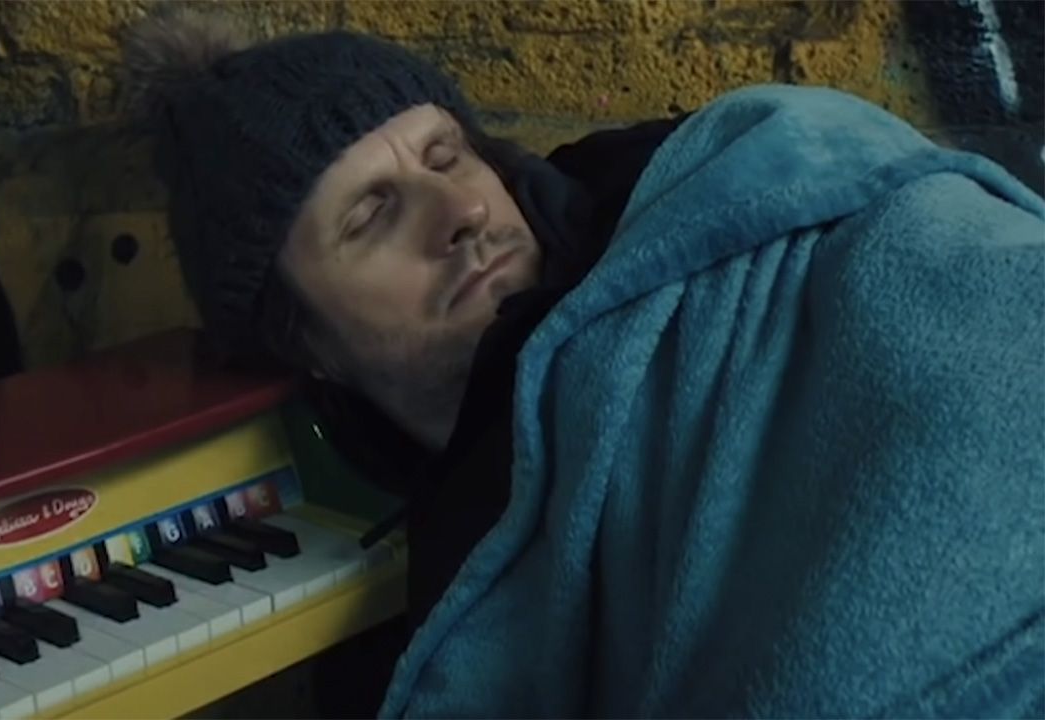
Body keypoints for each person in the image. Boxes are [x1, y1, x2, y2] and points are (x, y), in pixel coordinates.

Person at [124, 9, 1045, 718]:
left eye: (447, 156)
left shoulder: (703, 201)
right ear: (306, 342)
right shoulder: (425, 588)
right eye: (371, 215)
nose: (461, 211)